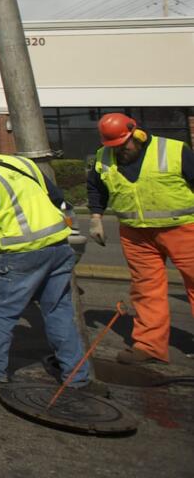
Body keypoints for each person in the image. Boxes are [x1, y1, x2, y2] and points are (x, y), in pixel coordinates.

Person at [0, 124, 93, 390]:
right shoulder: (23, 164)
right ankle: (77, 377)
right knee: (59, 312)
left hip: (21, 255)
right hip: (59, 248)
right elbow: (57, 197)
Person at [87, 113, 194, 365]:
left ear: (138, 135)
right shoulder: (103, 156)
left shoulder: (174, 150)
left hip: (183, 228)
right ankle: (150, 346)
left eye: (123, 145)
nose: (120, 151)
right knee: (146, 290)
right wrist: (96, 217)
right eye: (113, 147)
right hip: (135, 233)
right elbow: (96, 187)